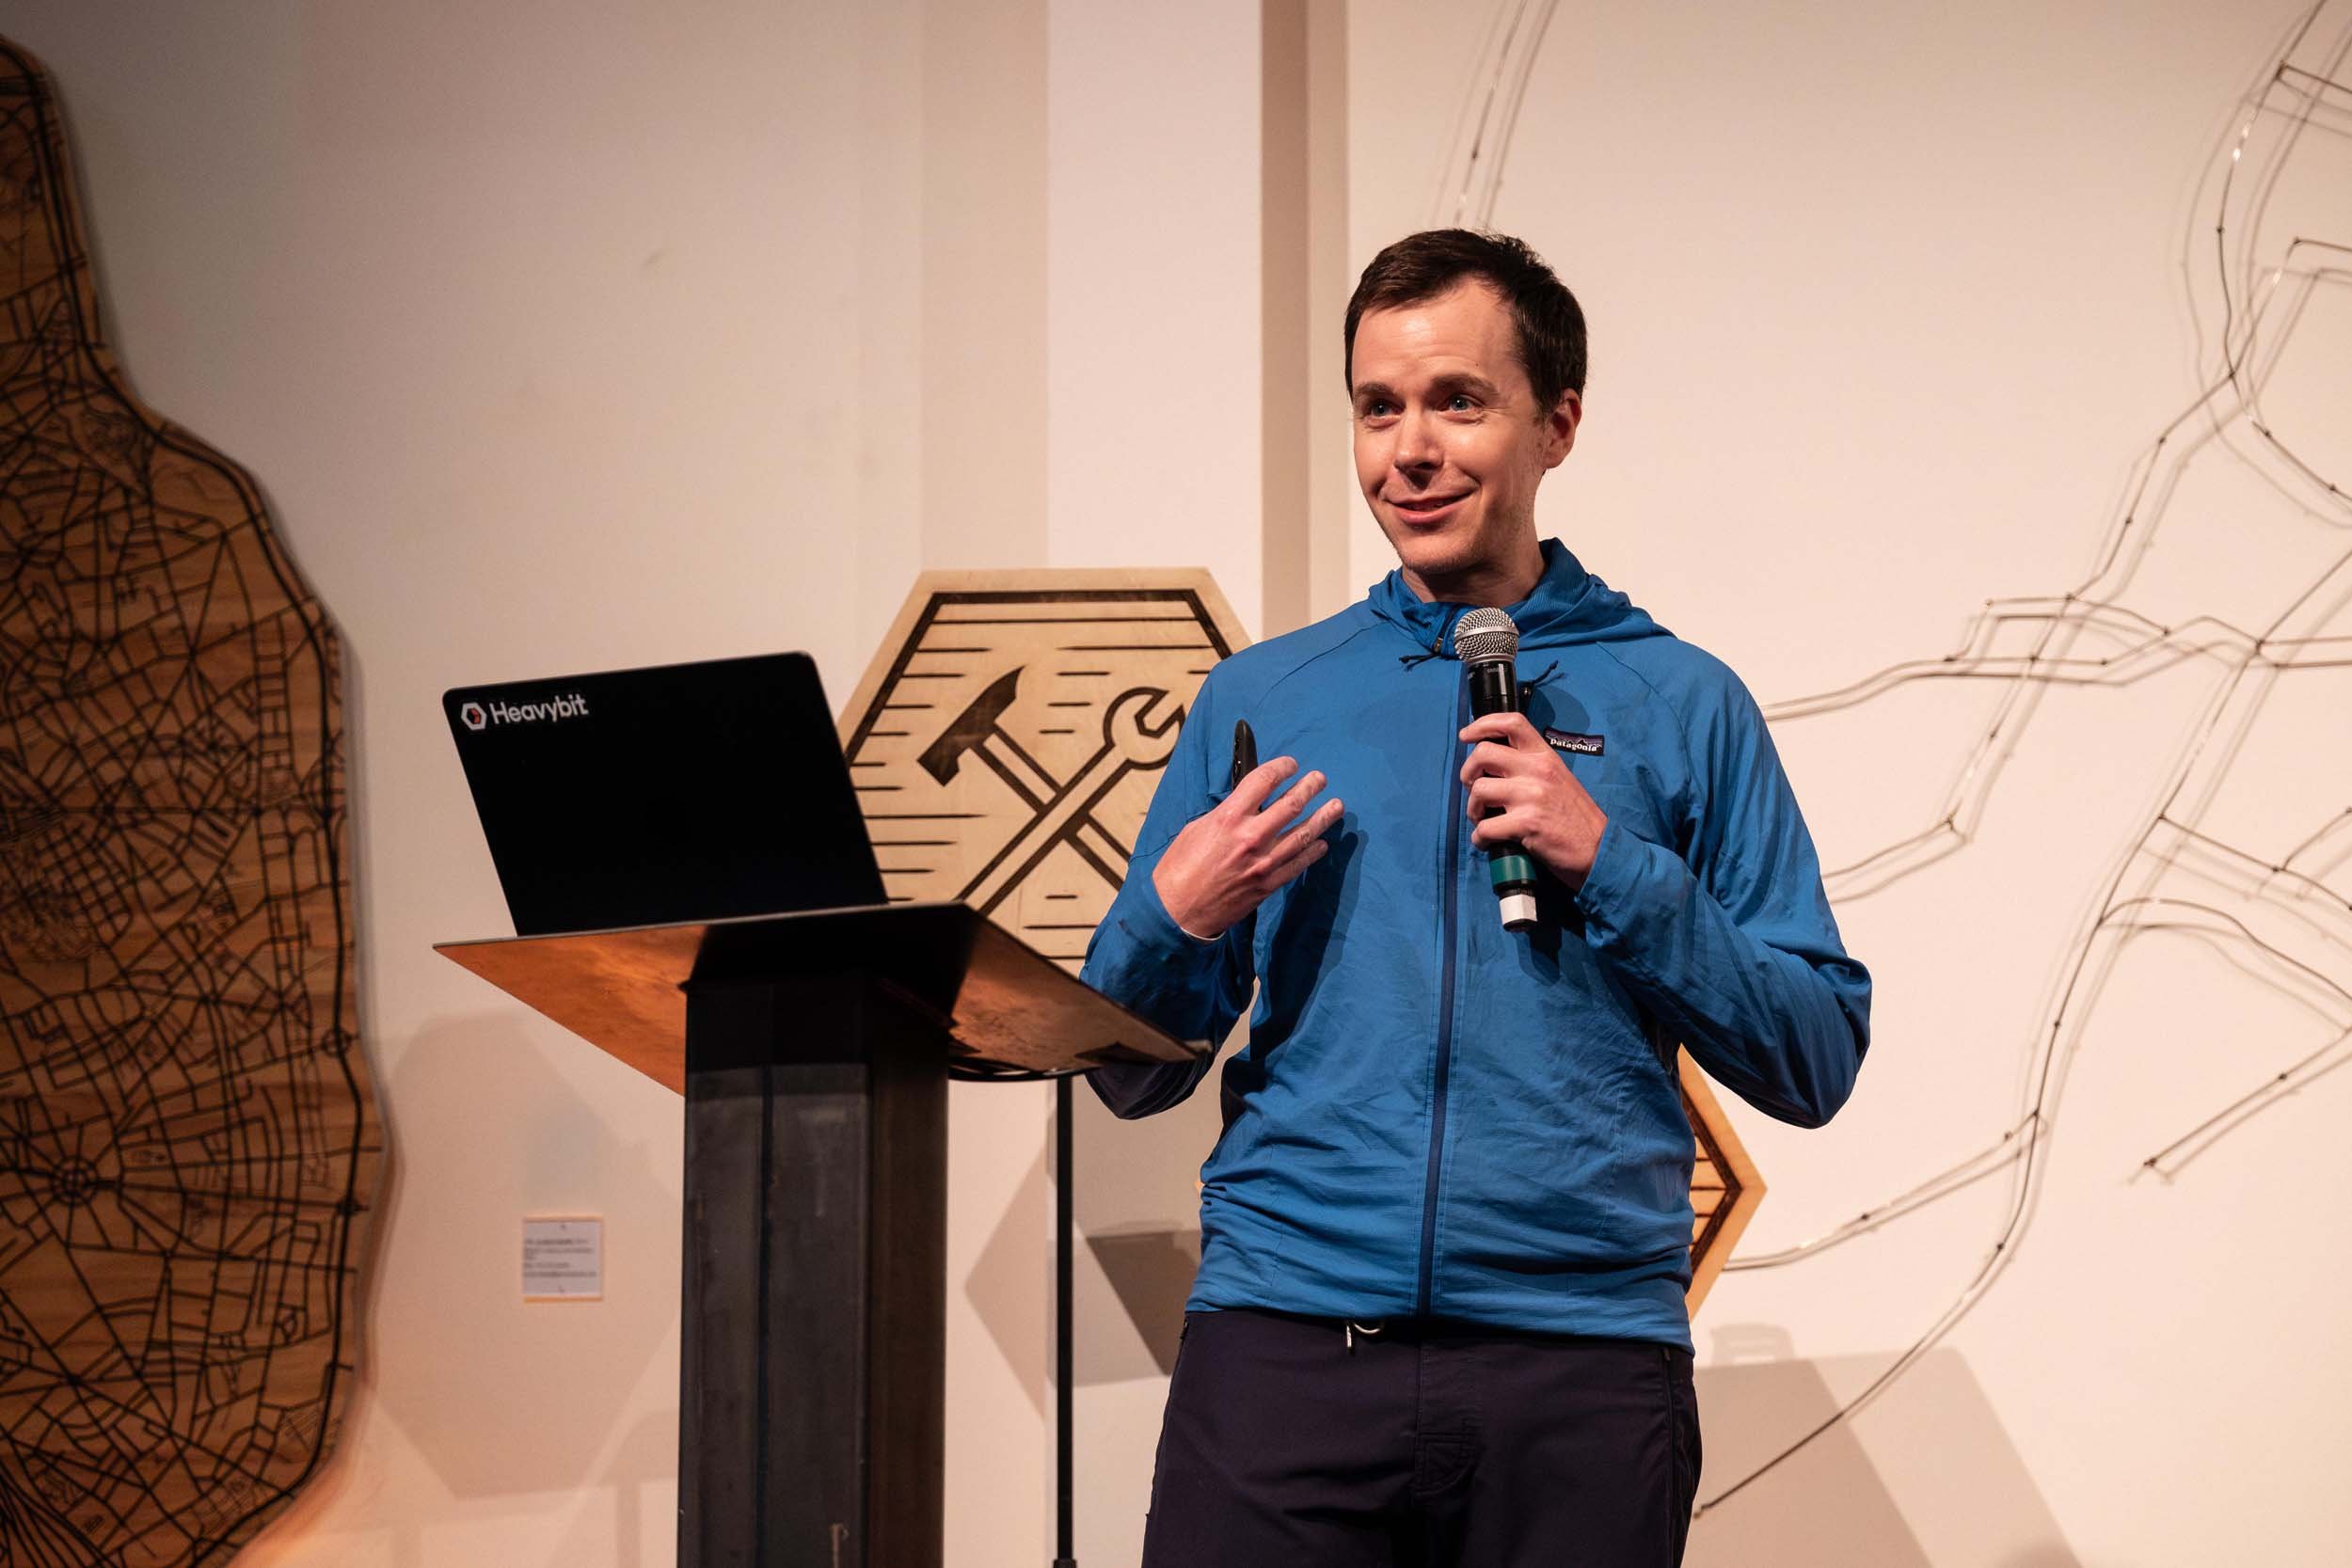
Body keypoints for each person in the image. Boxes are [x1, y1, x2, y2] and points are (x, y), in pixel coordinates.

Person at [1079, 229, 1871, 1567]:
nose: (1410, 451)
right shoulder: (1266, 698)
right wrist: (1172, 918)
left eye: (1458, 401)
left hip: (1577, 1368)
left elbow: (1813, 1055)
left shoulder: (1684, 701)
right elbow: (1128, 1073)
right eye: (1377, 407)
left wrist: (1611, 863)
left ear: (1557, 424)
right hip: (1285, 1350)